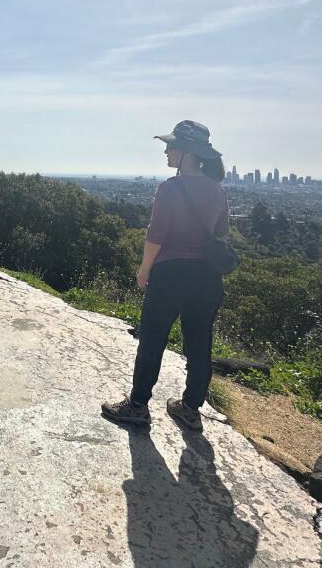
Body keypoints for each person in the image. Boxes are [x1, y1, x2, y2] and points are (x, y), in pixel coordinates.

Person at [102, 120, 229, 432]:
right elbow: (221, 234)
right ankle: (190, 410)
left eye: (172, 146)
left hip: (170, 275)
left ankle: (137, 406)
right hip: (207, 279)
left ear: (187, 152)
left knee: (153, 340)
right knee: (200, 345)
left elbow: (155, 235)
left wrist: (144, 269)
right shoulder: (218, 191)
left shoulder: (170, 188)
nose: (167, 151)